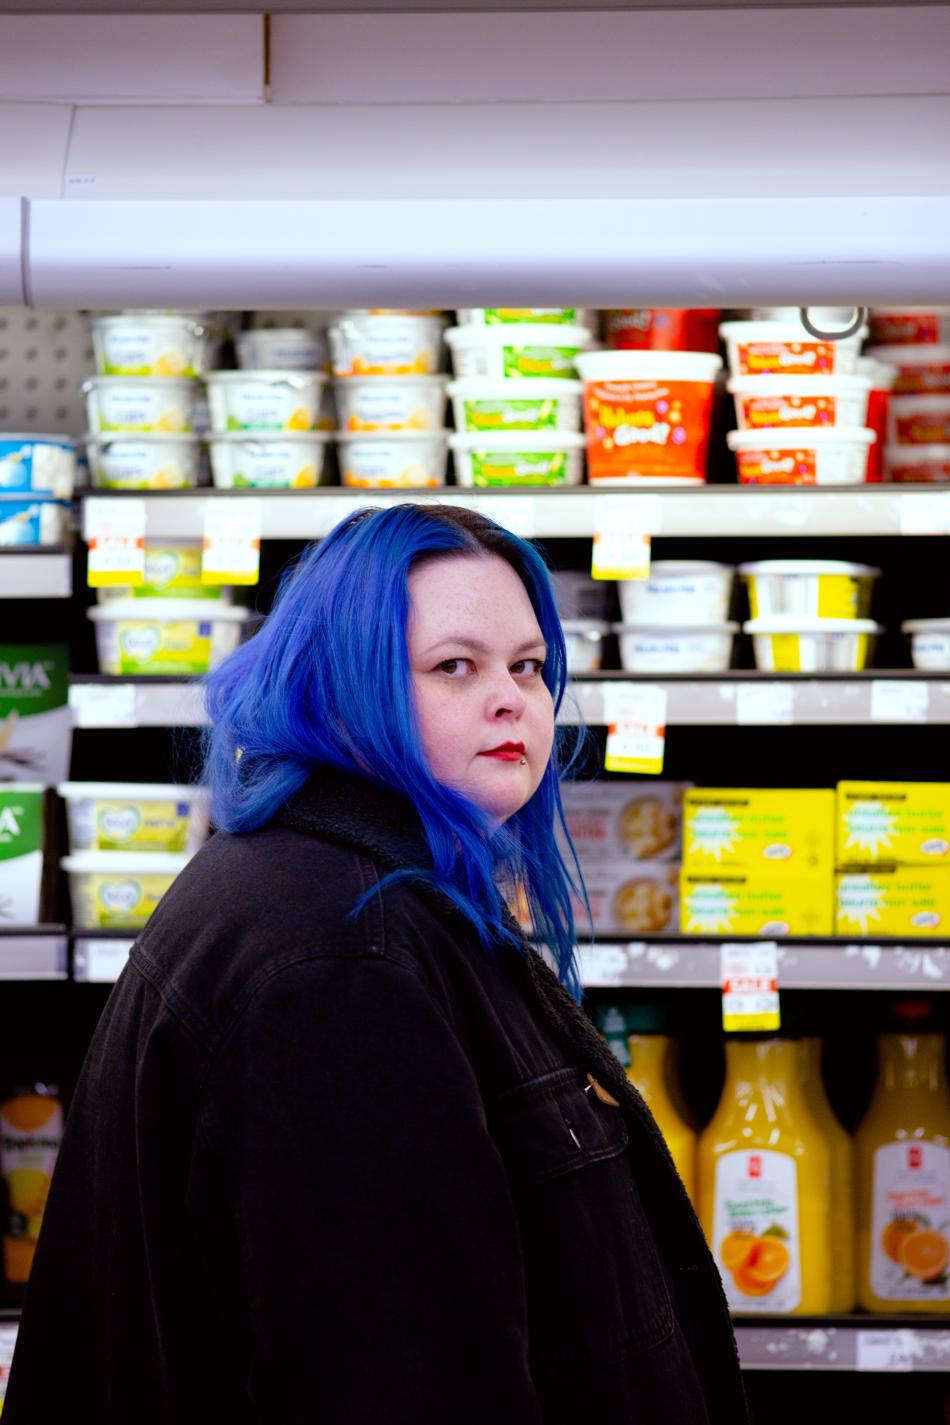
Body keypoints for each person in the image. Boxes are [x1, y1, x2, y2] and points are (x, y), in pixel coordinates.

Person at [4, 503, 748, 1424]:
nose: (513, 697)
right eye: (453, 667)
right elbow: (397, 1386)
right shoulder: (341, 963)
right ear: (339, 690)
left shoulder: (343, 893)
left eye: (527, 665)